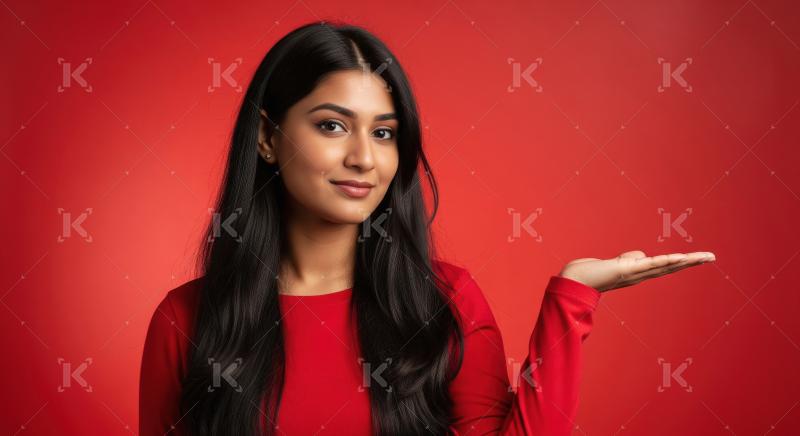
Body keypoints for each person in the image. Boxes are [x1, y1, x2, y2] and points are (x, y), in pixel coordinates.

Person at [139, 21, 716, 436]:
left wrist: (572, 299)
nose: (364, 158)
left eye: (385, 133)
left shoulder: (444, 302)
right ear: (267, 137)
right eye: (333, 125)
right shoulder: (184, 322)